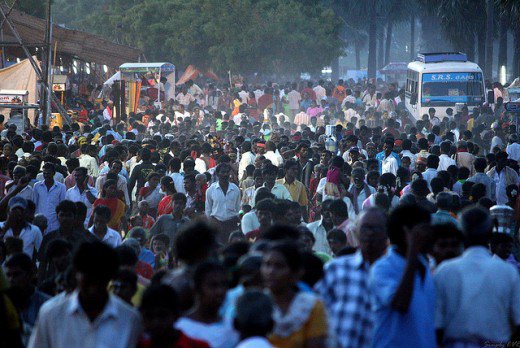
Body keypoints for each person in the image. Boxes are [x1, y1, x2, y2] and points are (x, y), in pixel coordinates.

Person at [28, 241, 142, 348]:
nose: (94, 284)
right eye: (88, 277)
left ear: (110, 277)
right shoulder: (51, 313)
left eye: (100, 277)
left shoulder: (130, 319)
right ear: (76, 274)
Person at [434, 207, 520, 347]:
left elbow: (437, 326)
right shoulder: (508, 272)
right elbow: (517, 322)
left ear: (461, 233)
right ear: (489, 234)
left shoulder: (445, 271)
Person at [316, 207, 388, 348]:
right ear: (355, 232)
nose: (370, 233)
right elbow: (318, 316)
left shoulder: (396, 272)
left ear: (386, 234)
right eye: (365, 228)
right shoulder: (336, 269)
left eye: (377, 229)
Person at [368, 204, 436, 348]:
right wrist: (412, 250)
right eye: (424, 230)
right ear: (407, 234)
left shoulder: (423, 264)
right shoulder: (383, 267)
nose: (430, 236)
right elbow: (400, 304)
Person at [261, 241, 328, 347]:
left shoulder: (312, 306)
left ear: (296, 273)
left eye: (279, 266)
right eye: (267, 265)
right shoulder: (258, 304)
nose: (270, 271)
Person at [175, 261, 239, 348]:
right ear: (197, 289)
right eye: (213, 286)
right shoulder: (181, 328)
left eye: (223, 285)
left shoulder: (231, 327)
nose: (220, 291)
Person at [139, 284, 210, 348]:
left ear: (176, 315)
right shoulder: (139, 345)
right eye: (149, 316)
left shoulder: (198, 346)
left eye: (162, 316)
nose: (155, 322)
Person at [4, 253, 50, 342]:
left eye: (16, 275)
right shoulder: (5, 305)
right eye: (8, 275)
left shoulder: (46, 305)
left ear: (30, 275)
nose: (11, 280)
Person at [205, 163, 241, 243]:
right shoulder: (210, 190)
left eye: (227, 172)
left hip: (232, 224)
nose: (225, 174)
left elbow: (238, 207)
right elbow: (208, 210)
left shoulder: (235, 189)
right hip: (217, 225)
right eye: (223, 172)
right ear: (217, 174)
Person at [32, 162, 66, 233]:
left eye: (48, 173)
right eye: (44, 173)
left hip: (54, 223)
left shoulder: (61, 187)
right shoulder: (37, 186)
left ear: (53, 173)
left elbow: (62, 205)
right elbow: (34, 203)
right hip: (39, 223)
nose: (46, 175)